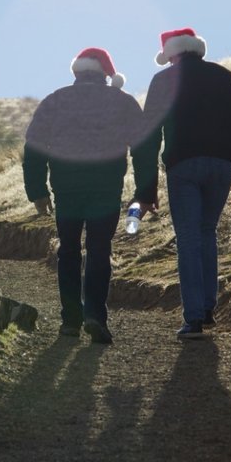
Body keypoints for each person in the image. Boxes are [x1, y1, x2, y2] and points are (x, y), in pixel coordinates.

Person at [135, 27, 231, 339]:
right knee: (206, 233)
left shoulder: (163, 81)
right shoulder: (225, 77)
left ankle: (193, 319)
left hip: (184, 166)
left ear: (172, 54)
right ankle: (206, 307)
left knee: (188, 237)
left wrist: (146, 192)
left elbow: (147, 138)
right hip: (222, 165)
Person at [23, 47, 147, 344]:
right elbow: (143, 145)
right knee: (99, 249)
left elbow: (34, 147)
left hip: (67, 188)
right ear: (106, 73)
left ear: (76, 72)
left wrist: (37, 191)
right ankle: (95, 315)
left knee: (68, 250)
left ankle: (70, 321)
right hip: (106, 187)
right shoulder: (122, 101)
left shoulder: (55, 100)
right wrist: (144, 190)